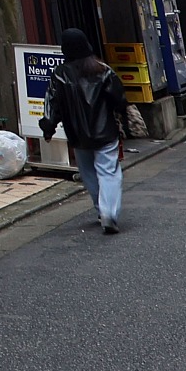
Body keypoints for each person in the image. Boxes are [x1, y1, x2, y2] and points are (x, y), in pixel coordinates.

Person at [38, 26, 132, 235]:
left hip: (77, 135)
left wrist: (48, 127)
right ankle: (109, 212)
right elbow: (119, 99)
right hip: (104, 132)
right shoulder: (103, 70)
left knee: (88, 173)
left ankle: (101, 209)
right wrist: (124, 120)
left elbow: (51, 105)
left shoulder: (59, 75)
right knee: (108, 172)